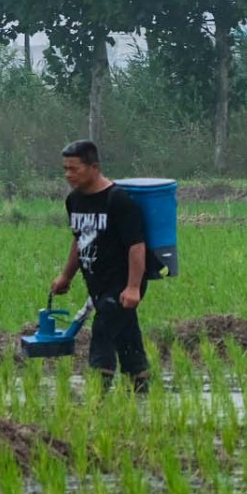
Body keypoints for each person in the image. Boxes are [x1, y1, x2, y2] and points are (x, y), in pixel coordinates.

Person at [51, 140, 155, 394]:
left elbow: (136, 246)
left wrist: (132, 287)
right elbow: (79, 240)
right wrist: (66, 276)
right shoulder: (73, 201)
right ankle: (142, 393)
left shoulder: (118, 200)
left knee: (103, 331)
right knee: (127, 340)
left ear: (94, 167)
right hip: (97, 283)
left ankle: (97, 398)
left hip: (122, 282)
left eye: (74, 169)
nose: (68, 175)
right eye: (65, 169)